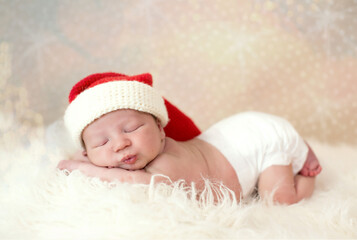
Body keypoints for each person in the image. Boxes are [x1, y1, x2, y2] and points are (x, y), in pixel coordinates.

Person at [58, 72, 322, 204]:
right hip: (235, 134)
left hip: (262, 139)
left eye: (131, 129)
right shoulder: (145, 150)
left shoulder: (167, 165)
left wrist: (77, 167)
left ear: (161, 130)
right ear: (86, 152)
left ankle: (305, 173)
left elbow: (130, 180)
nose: (120, 143)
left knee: (279, 203)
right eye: (101, 143)